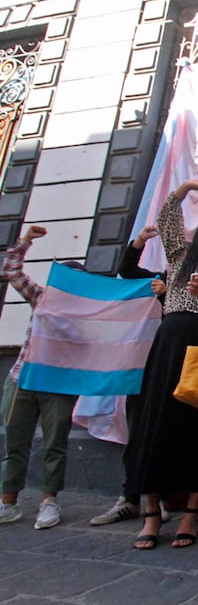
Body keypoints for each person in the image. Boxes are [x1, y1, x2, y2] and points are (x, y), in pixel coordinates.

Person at [128, 177, 198, 549]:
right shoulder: (178, 257)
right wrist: (183, 189)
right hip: (168, 346)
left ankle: (192, 512)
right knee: (154, 423)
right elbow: (166, 218)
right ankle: (150, 513)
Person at [0, 225, 83, 529]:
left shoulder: (90, 314)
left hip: (58, 384)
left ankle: (49, 501)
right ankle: (8, 503)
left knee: (54, 444)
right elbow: (11, 271)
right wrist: (25, 242)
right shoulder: (42, 298)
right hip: (22, 377)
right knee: (14, 442)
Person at [90, 225, 168, 527]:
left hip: (173, 368)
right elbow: (126, 269)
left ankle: (157, 498)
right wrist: (139, 241)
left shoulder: (197, 283)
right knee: (138, 435)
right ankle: (132, 498)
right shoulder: (157, 279)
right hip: (142, 366)